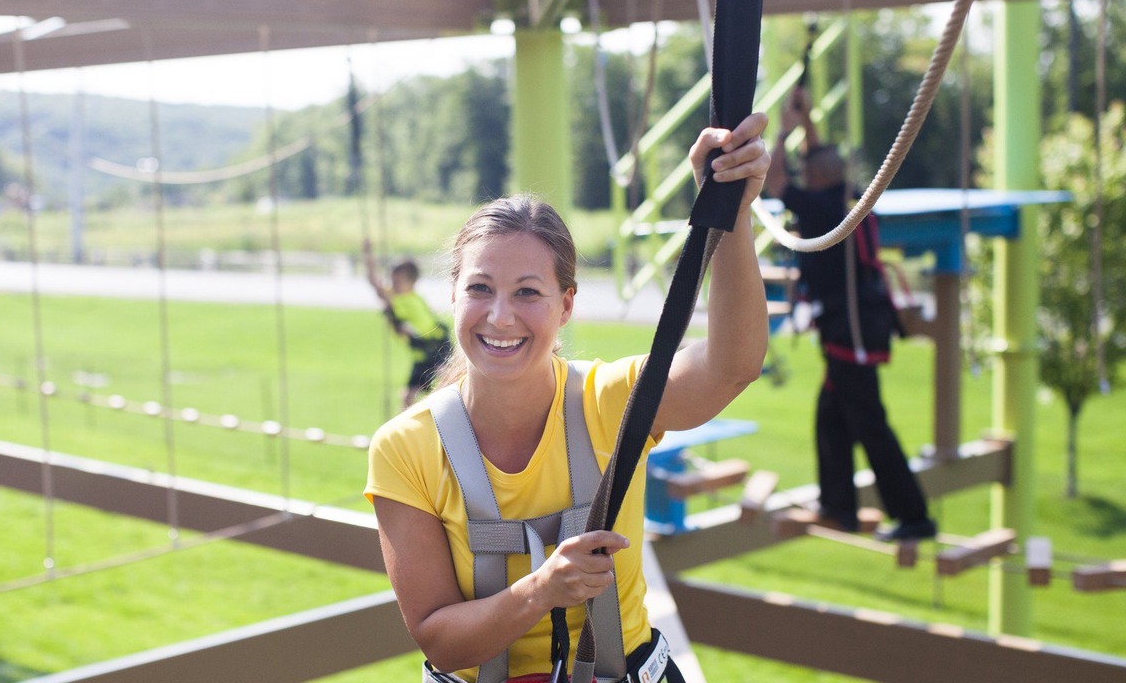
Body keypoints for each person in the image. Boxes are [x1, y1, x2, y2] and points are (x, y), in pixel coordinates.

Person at [365, 113, 770, 682]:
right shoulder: (404, 448)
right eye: (479, 288)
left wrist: (732, 213)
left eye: (528, 293)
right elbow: (441, 639)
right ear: (452, 294)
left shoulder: (612, 398)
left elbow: (732, 367)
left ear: (567, 305)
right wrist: (540, 591)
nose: (500, 316)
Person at [765, 86, 937, 542]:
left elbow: (775, 182)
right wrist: (808, 123)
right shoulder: (848, 197)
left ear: (817, 178)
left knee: (869, 425)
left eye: (809, 169)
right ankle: (838, 505)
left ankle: (913, 515)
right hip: (858, 327)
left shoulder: (821, 208)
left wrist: (782, 133)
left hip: (851, 334)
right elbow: (820, 162)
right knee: (832, 417)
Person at [363, 240, 453, 408]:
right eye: (392, 281)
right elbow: (373, 280)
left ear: (412, 282)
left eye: (398, 282)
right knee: (407, 396)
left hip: (437, 346)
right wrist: (368, 255)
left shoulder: (411, 298)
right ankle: (406, 430)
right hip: (420, 354)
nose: (393, 285)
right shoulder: (393, 298)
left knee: (446, 384)